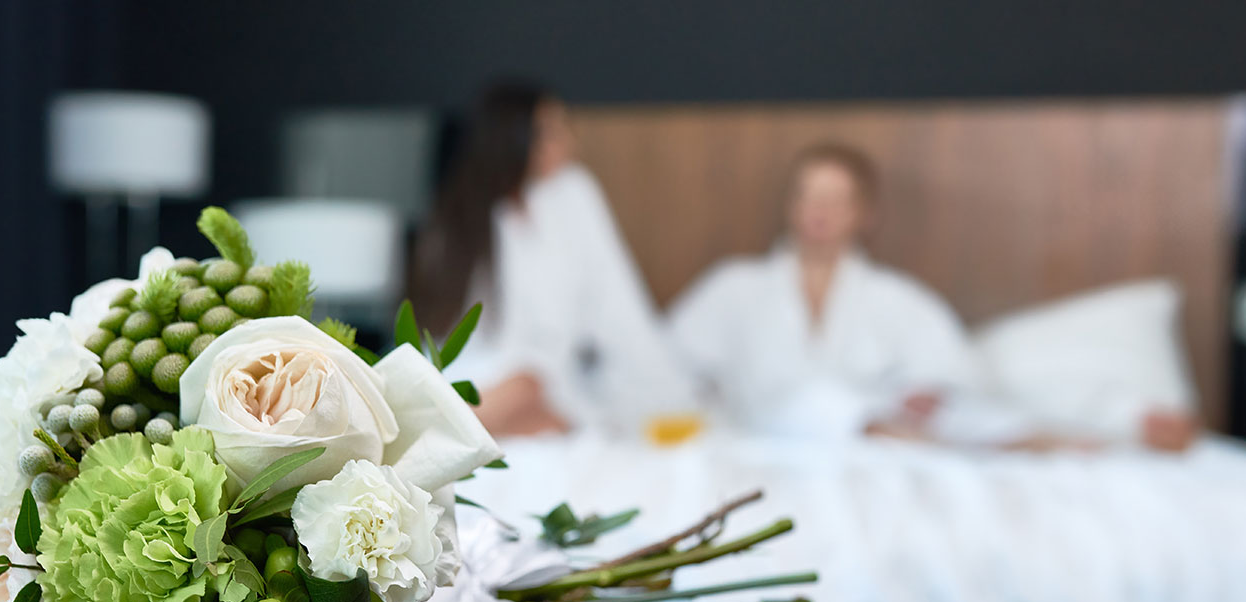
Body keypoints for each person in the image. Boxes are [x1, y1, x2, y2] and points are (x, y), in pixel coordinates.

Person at [408, 81, 687, 438]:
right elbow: (447, 329)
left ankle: (448, 433)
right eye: (549, 133)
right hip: (477, 372)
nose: (566, 143)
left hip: (542, 380)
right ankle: (449, 427)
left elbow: (616, 301)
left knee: (537, 397)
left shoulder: (572, 195)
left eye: (563, 129)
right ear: (511, 138)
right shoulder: (463, 216)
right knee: (520, 390)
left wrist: (664, 386)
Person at [667, 143, 986, 442]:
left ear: (866, 214)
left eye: (835, 200)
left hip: (871, 450)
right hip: (758, 441)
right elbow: (666, 368)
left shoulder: (899, 298)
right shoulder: (733, 286)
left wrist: (926, 397)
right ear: (790, 205)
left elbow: (948, 377)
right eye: (808, 197)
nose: (818, 211)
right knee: (814, 401)